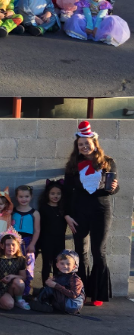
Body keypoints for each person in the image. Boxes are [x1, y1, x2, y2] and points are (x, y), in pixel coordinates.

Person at [62, 120, 119, 305]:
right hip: (79, 212)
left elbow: (112, 188)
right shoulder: (72, 166)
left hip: (101, 211)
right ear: (77, 147)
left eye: (87, 143)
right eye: (81, 144)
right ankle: (81, 291)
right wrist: (67, 215)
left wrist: (115, 188)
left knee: (98, 251)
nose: (84, 146)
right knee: (81, 251)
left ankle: (98, 294)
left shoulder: (108, 162)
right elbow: (67, 193)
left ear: (94, 143)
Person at [64, 0, 130, 46]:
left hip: (99, 21)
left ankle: (103, 35)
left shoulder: (104, 4)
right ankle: (83, 32)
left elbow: (100, 16)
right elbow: (87, 14)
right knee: (77, 18)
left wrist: (96, 28)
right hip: (87, 20)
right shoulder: (85, 1)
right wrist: (89, 26)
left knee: (112, 20)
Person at [0, 228, 29, 310]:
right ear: (2, 246)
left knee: (20, 283)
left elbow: (23, 277)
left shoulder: (20, 259)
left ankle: (19, 300)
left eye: (13, 245)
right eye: (8, 245)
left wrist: (12, 276)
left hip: (10, 285)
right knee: (9, 305)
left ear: (18, 246)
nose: (11, 247)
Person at [30, 250, 84, 315]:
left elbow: (74, 295)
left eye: (68, 264)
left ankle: (38, 301)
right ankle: (43, 302)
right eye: (62, 263)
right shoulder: (60, 276)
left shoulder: (75, 279)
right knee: (49, 287)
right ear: (57, 265)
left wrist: (55, 285)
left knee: (50, 288)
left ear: (74, 266)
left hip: (72, 305)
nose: (65, 266)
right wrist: (50, 281)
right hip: (65, 302)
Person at [12, 185, 40, 296]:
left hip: (28, 243)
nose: (24, 199)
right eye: (21, 196)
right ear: (16, 197)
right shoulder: (12, 211)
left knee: (27, 267)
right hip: (14, 243)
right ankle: (14, 291)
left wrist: (32, 244)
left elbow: (37, 230)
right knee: (13, 266)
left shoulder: (35, 213)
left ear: (31, 197)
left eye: (26, 196)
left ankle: (26, 293)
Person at [37, 179, 67, 284]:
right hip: (46, 240)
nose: (56, 196)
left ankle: (57, 288)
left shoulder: (63, 208)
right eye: (52, 193)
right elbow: (40, 226)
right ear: (47, 194)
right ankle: (46, 288)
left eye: (58, 193)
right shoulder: (44, 208)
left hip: (59, 240)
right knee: (47, 264)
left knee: (58, 264)